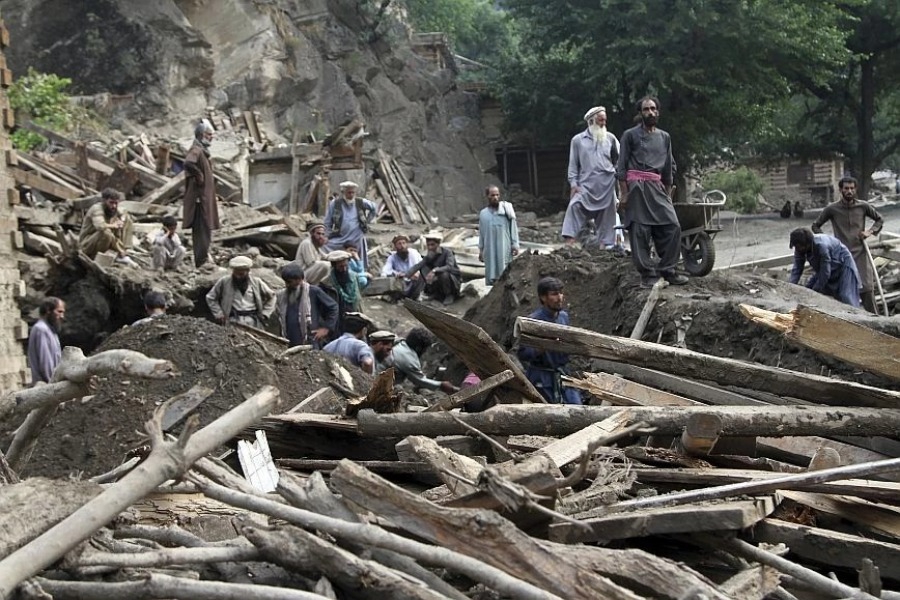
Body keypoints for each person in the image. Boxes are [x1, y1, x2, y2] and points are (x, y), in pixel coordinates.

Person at [616, 96, 689, 288]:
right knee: (640, 230)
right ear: (640, 113)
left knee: (673, 226)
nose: (650, 112)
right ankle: (648, 274)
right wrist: (624, 194)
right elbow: (621, 167)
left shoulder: (664, 137)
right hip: (637, 187)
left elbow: (667, 168)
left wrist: (668, 192)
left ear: (658, 111)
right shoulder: (629, 135)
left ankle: (669, 270)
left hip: (657, 187)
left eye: (653, 109)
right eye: (646, 109)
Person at [812, 176, 884, 313]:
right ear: (840, 190)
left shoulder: (863, 206)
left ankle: (878, 325)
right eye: (846, 188)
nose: (849, 191)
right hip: (842, 257)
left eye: (852, 188)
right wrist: (829, 241)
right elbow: (815, 226)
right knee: (846, 293)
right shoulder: (832, 209)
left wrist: (869, 232)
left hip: (861, 253)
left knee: (867, 290)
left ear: (855, 189)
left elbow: (879, 219)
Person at [517, 277, 582, 404]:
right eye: (554, 294)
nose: (559, 298)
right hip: (541, 378)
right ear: (543, 298)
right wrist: (541, 348)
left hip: (562, 374)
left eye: (560, 293)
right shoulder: (533, 322)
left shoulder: (563, 317)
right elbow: (522, 354)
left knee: (576, 406)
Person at [564, 106, 621, 248]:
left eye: (604, 121)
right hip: (586, 186)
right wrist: (573, 184)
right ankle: (568, 245)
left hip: (607, 185)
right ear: (591, 121)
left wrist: (617, 176)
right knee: (574, 206)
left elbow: (621, 160)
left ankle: (605, 248)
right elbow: (573, 165)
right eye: (600, 120)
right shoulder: (578, 140)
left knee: (608, 218)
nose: (603, 124)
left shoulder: (611, 138)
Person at [789, 227, 862, 307]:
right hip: (825, 268)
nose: (798, 249)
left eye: (799, 247)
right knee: (807, 290)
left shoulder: (821, 246)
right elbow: (797, 269)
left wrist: (815, 290)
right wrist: (790, 287)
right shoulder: (799, 249)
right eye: (796, 247)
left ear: (807, 244)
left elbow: (825, 272)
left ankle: (854, 317)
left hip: (842, 264)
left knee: (846, 296)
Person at [183, 119, 220, 267]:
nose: (211, 137)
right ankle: (201, 260)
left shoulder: (202, 152)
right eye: (209, 134)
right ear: (202, 135)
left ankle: (203, 257)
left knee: (205, 229)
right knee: (201, 230)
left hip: (204, 199)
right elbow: (188, 163)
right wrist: (198, 175)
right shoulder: (196, 150)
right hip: (200, 200)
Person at [275, 263, 338, 348]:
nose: (287, 285)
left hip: (309, 340)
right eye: (286, 282)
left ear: (299, 280)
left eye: (289, 282)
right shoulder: (283, 295)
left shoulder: (313, 292)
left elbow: (333, 307)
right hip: (289, 340)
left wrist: (326, 328)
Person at [206, 255, 276, 327]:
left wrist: (265, 313)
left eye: (241, 274)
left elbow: (272, 296)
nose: (238, 277)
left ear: (248, 271)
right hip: (232, 321)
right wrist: (219, 313)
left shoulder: (256, 282)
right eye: (236, 273)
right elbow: (210, 297)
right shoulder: (224, 281)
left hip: (253, 321)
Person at [323, 181, 377, 270]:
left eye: (353, 192)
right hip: (340, 236)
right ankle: (331, 267)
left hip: (356, 235)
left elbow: (373, 207)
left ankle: (360, 270)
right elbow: (327, 221)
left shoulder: (360, 202)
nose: (351, 195)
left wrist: (367, 221)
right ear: (343, 193)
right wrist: (326, 235)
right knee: (325, 245)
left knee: (359, 244)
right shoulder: (335, 203)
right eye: (349, 192)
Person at [79, 188, 136, 265]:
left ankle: (125, 250)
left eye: (116, 203)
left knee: (128, 221)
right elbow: (100, 226)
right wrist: (114, 225)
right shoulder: (97, 209)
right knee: (106, 233)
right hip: (88, 244)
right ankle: (98, 256)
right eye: (111, 203)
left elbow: (124, 212)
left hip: (105, 241)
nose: (114, 206)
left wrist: (121, 220)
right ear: (104, 201)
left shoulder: (114, 209)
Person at [391, 327, 458, 394]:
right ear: (418, 348)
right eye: (425, 349)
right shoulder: (409, 360)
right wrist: (441, 385)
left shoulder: (399, 343)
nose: (425, 352)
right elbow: (420, 381)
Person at [478, 186, 520, 285]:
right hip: (490, 249)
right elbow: (482, 233)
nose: (495, 197)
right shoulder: (483, 214)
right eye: (492, 195)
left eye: (497, 195)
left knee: (505, 274)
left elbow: (513, 228)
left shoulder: (507, 210)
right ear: (487, 196)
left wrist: (515, 244)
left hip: (504, 247)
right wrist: (480, 250)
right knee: (491, 274)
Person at [407, 232, 461, 305]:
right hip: (437, 279)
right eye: (428, 245)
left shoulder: (447, 252)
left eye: (432, 245)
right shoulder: (429, 255)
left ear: (438, 244)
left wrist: (435, 270)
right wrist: (405, 275)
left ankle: (449, 295)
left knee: (444, 274)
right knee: (423, 269)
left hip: (452, 279)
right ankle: (434, 293)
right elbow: (418, 266)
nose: (430, 247)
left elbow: (449, 266)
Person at [323, 250, 363, 334]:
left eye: (346, 266)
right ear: (334, 266)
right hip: (338, 319)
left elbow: (358, 298)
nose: (344, 269)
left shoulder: (353, 276)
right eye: (341, 266)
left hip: (354, 313)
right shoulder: (326, 283)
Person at [27, 296, 65, 384]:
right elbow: (46, 364)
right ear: (48, 310)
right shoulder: (41, 329)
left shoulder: (51, 331)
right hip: (46, 386)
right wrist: (54, 384)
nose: (62, 316)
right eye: (59, 311)